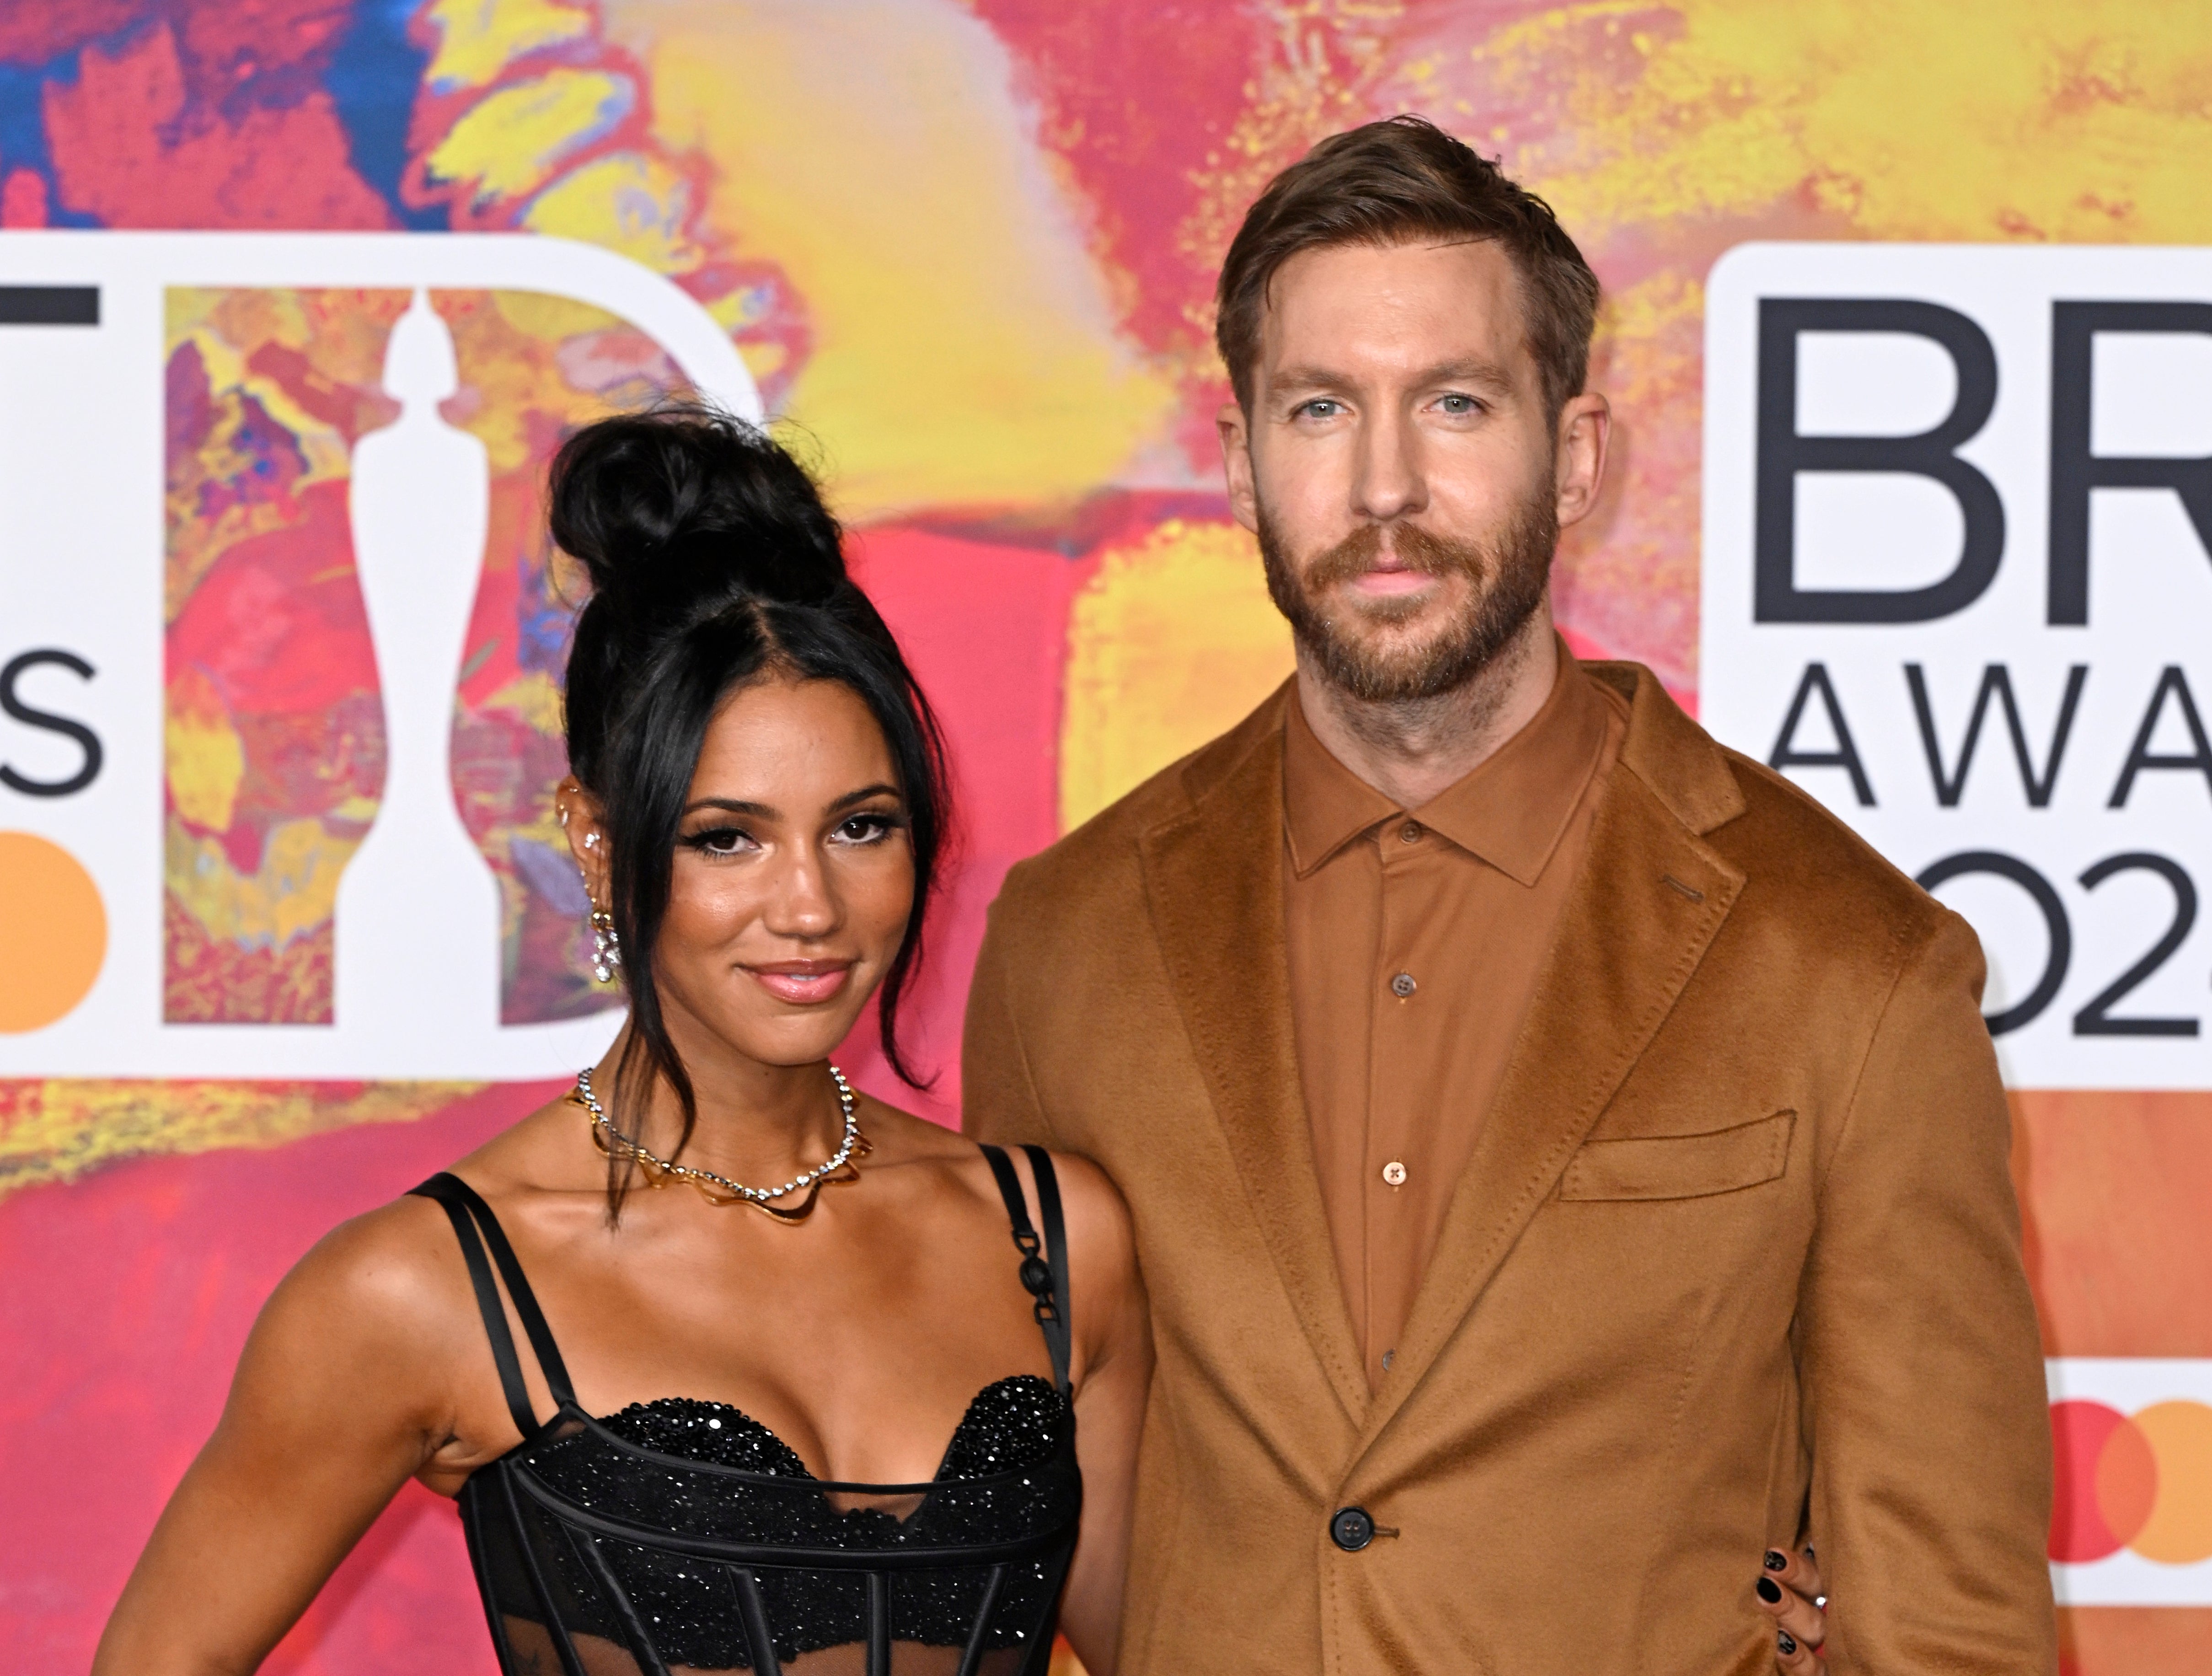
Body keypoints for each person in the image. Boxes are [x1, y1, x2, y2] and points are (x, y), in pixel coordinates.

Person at [963, 116, 2056, 1673]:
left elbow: (1952, 1626)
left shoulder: (1851, 961)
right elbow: (1046, 1499)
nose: (1386, 484)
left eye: (1456, 404)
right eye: (1323, 406)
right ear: (1237, 459)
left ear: (1579, 454)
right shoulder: (1067, 941)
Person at [94, 405, 1152, 1676]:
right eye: (728, 838)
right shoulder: (426, 1290)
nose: (809, 905)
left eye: (861, 827)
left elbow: (1169, 1648)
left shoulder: (1059, 1239)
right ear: (599, 839)